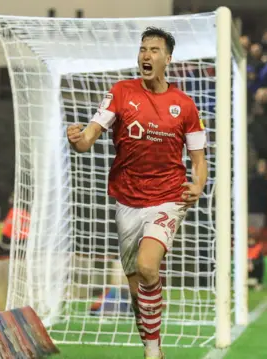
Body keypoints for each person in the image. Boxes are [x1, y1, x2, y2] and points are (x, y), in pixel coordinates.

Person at [66, 27, 207, 359]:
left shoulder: (184, 105)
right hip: (127, 200)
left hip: (169, 197)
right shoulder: (120, 92)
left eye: (154, 50)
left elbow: (199, 159)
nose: (146, 55)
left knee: (147, 267)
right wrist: (78, 139)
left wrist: (197, 185)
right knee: (136, 289)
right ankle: (150, 343)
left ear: (167, 59)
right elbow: (89, 138)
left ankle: (153, 353)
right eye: (143, 49)